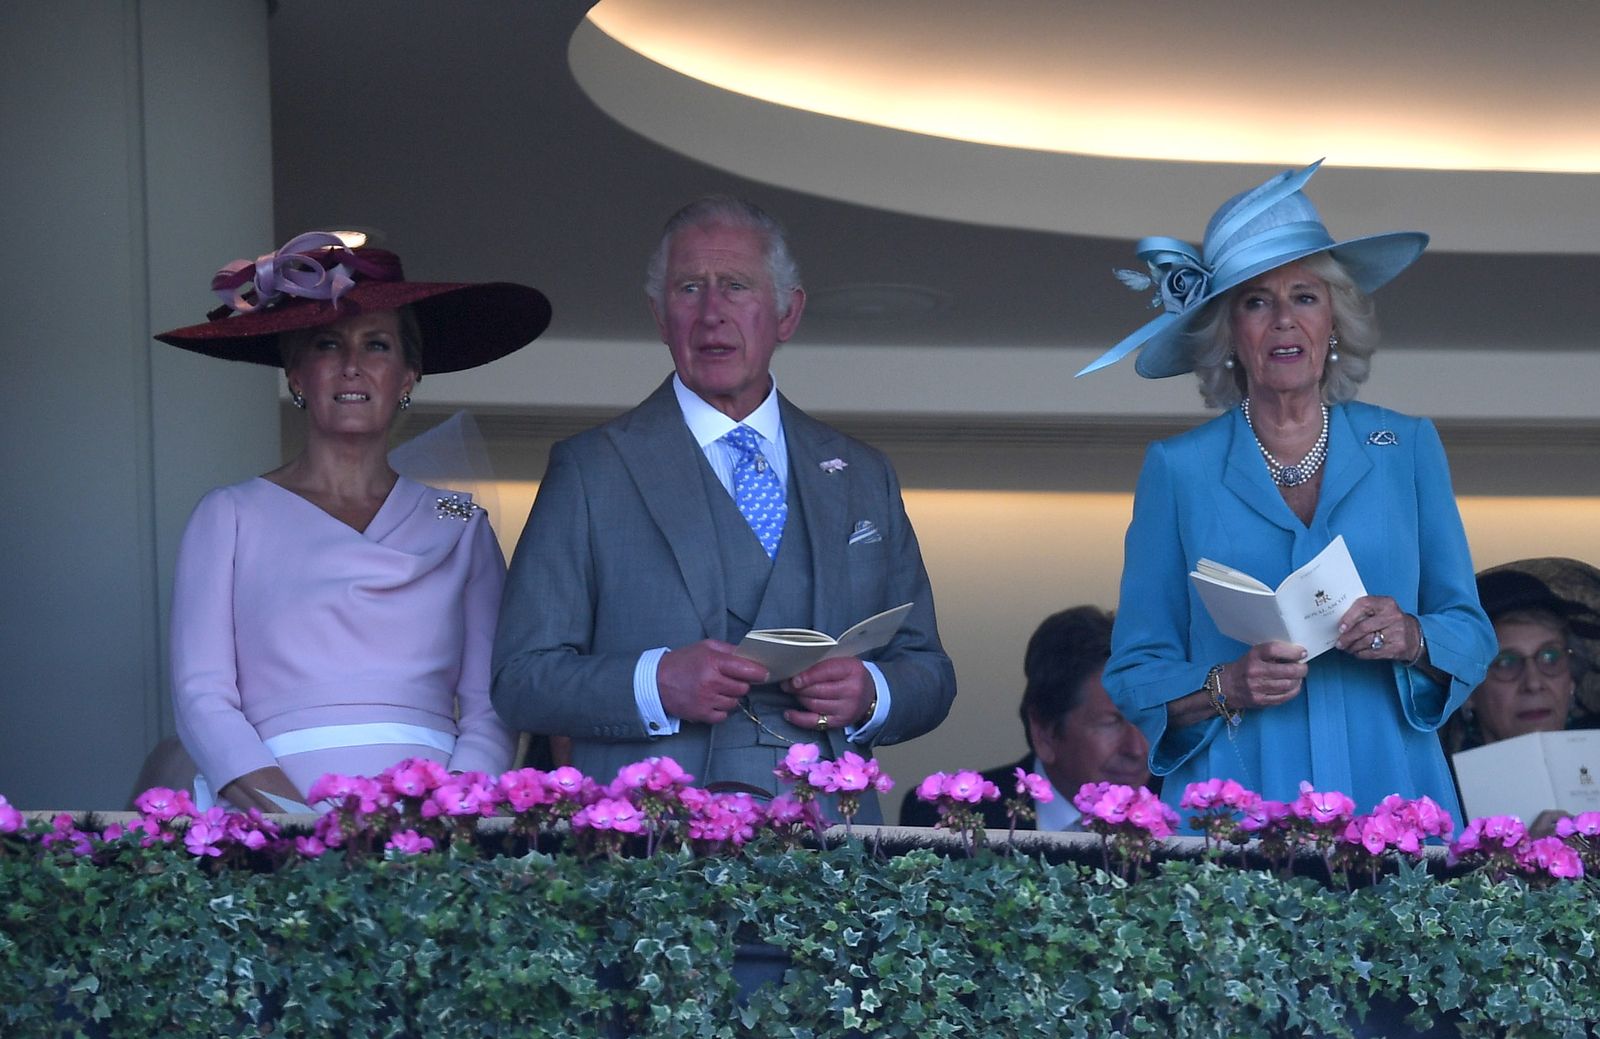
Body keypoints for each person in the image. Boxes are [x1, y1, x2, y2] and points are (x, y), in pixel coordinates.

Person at [492, 196, 955, 822]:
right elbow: (521, 680)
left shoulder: (863, 475)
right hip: (649, 846)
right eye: (689, 288)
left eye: (736, 286)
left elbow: (927, 669)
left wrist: (872, 692)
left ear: (787, 312)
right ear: (659, 314)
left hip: (829, 859)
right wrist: (654, 683)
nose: (711, 313)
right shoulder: (591, 469)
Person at [1078, 161, 1494, 819]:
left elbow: (1471, 632)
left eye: (1305, 296)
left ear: (1335, 322)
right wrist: (1225, 686)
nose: (1283, 320)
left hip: (1390, 788)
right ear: (1228, 335)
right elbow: (1136, 671)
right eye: (1256, 301)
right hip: (1238, 793)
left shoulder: (1406, 447)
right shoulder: (1178, 468)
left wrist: (1412, 636)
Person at [156, 232, 551, 811]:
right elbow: (201, 696)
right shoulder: (231, 513)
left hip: (432, 837)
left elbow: (493, 706)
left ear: (409, 377)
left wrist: (446, 817)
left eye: (377, 346)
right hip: (269, 824)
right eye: (326, 344)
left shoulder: (458, 519)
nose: (351, 366)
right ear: (295, 374)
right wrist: (293, 823)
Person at [899, 606, 1152, 831]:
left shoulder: (1183, 814)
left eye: (1147, 718)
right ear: (1044, 733)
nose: (1138, 749)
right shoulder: (951, 818)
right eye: (1110, 722)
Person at [1447, 562, 1600, 754]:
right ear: (1467, 693)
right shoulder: (1433, 782)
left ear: (1571, 681)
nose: (1533, 684)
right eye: (1506, 663)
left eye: (1550, 657)